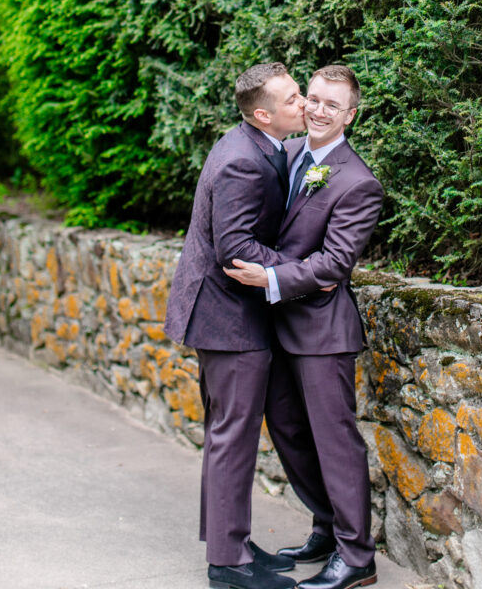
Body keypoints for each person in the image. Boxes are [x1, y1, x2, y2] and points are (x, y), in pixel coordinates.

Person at [225, 64, 383, 589]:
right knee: (291, 435)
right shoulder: (287, 154)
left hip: (321, 333)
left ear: (350, 116)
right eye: (311, 98)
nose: (317, 110)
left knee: (335, 441)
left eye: (331, 105)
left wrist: (271, 275)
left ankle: (357, 557)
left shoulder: (359, 183)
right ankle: (327, 527)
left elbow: (334, 265)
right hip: (275, 324)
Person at [163, 62, 305, 589]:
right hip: (227, 319)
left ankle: (235, 543)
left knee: (232, 433)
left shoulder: (261, 144)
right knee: (232, 436)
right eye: (293, 99)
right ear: (264, 114)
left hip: (231, 315)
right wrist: (302, 272)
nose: (304, 105)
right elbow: (236, 250)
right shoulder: (241, 161)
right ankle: (227, 566)